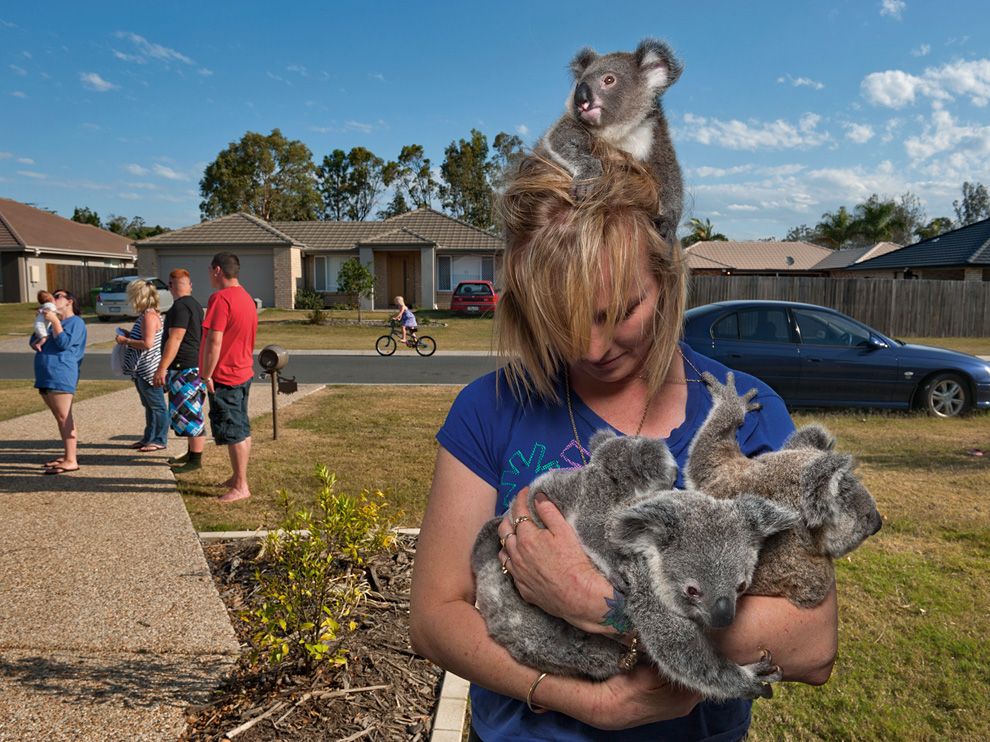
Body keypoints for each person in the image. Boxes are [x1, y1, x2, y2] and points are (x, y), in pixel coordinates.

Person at [409, 151, 838, 741]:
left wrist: (601, 604)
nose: (590, 348)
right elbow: (434, 619)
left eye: (621, 312)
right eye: (561, 318)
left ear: (666, 279)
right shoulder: (488, 409)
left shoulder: (747, 416)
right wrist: (586, 702)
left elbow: (812, 644)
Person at [200, 251, 258, 503]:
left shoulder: (220, 299)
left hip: (226, 374)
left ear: (217, 271)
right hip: (243, 370)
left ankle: (241, 486)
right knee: (241, 426)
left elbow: (214, 340)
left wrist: (206, 373)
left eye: (210, 272)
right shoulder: (246, 297)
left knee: (233, 430)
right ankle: (238, 477)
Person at [153, 269, 206, 473]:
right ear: (189, 285)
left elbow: (175, 338)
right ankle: (192, 453)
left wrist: (162, 368)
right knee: (186, 414)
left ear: (171, 286)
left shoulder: (180, 307)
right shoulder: (193, 305)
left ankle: (196, 460)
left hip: (185, 368)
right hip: (191, 366)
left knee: (191, 414)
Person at [32, 288, 87, 475]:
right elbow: (34, 341)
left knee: (65, 417)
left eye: (57, 297)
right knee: (59, 417)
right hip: (45, 373)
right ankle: (67, 455)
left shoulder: (76, 323)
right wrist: (42, 322)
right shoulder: (49, 321)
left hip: (62, 373)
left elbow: (64, 343)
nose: (52, 299)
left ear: (69, 301)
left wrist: (55, 321)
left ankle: (71, 460)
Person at [116, 279, 167, 452]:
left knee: (157, 406)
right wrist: (131, 335)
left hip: (148, 369)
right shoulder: (150, 314)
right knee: (149, 406)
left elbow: (147, 344)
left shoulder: (149, 316)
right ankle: (149, 438)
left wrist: (126, 340)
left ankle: (159, 439)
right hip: (143, 369)